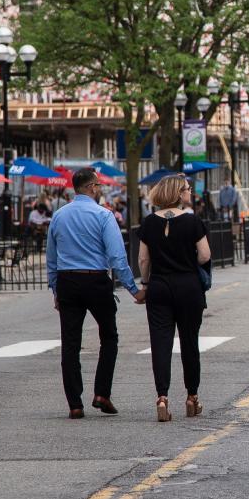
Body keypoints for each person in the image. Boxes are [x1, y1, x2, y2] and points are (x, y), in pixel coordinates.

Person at [47, 168, 145, 420]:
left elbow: (51, 258)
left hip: (68, 280)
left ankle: (74, 403)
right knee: (109, 337)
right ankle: (102, 393)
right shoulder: (104, 215)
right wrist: (134, 290)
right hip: (96, 280)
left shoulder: (58, 216)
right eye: (98, 185)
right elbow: (116, 257)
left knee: (70, 343)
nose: (100, 189)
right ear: (91, 187)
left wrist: (56, 289)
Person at [138, 173, 212, 422]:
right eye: (187, 189)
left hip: (159, 286)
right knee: (190, 342)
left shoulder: (148, 223)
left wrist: (146, 284)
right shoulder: (192, 222)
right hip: (188, 286)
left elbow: (143, 259)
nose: (190, 192)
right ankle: (192, 397)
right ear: (178, 193)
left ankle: (162, 397)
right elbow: (204, 255)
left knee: (161, 343)